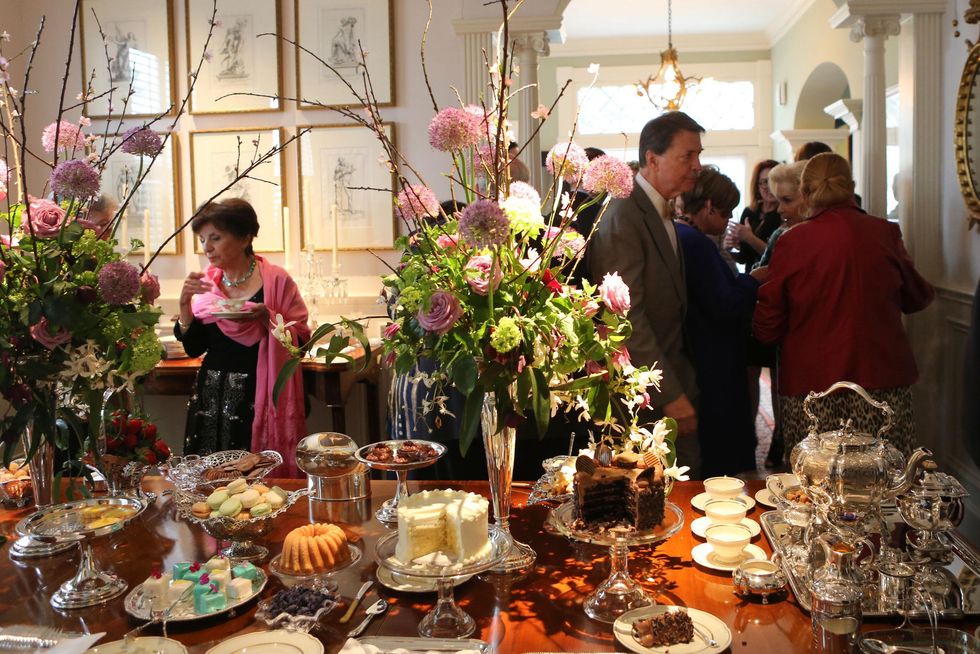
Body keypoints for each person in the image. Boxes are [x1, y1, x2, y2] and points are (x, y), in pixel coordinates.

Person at [753, 153, 935, 459]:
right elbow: (918, 297)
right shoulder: (884, 232)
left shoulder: (792, 242)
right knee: (883, 479)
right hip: (881, 380)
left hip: (812, 386)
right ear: (850, 188)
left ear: (806, 192)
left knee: (815, 483)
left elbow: (767, 325)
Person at [589, 111, 704, 477]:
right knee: (655, 491)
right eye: (687, 156)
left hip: (667, 373)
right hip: (646, 391)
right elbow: (625, 317)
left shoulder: (657, 207)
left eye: (698, 155)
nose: (697, 166)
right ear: (652, 159)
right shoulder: (625, 212)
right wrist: (670, 393)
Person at [176, 199, 311, 476]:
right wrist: (184, 304)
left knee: (255, 485)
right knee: (210, 483)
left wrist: (268, 318)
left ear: (244, 237)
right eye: (202, 239)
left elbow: (301, 342)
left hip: (258, 397)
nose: (207, 248)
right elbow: (194, 348)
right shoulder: (206, 284)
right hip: (212, 397)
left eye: (215, 237)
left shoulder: (277, 281)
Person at [675, 167, 759, 476]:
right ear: (710, 206)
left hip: (699, 352)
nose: (727, 222)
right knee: (722, 456)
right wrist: (754, 281)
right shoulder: (697, 243)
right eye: (727, 213)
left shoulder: (679, 232)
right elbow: (724, 303)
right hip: (713, 356)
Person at [727, 159, 780, 270]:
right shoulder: (749, 212)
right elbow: (743, 258)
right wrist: (729, 248)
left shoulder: (785, 214)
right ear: (757, 186)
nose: (769, 187)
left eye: (774, 181)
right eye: (764, 182)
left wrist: (749, 238)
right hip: (751, 278)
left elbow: (778, 257)